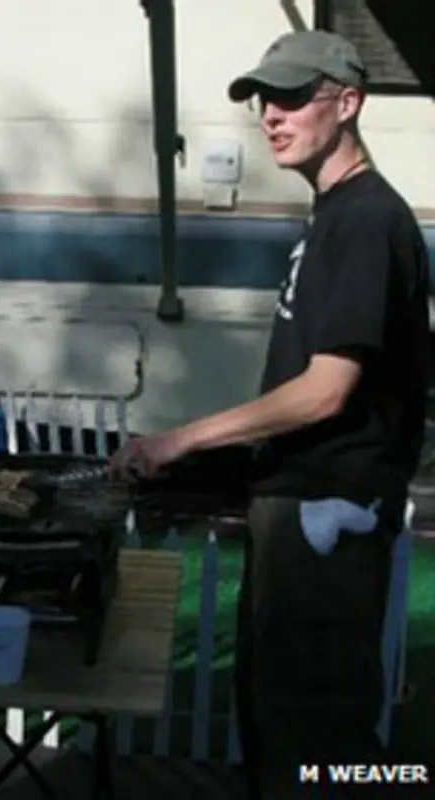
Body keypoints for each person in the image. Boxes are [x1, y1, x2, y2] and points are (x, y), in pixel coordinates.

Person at [108, 30, 431, 799]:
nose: (271, 116)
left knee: (316, 735)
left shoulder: (365, 221)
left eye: (292, 97)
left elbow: (326, 390)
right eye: (264, 100)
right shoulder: (335, 215)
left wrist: (181, 440)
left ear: (348, 102)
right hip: (302, 517)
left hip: (327, 528)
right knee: (281, 721)